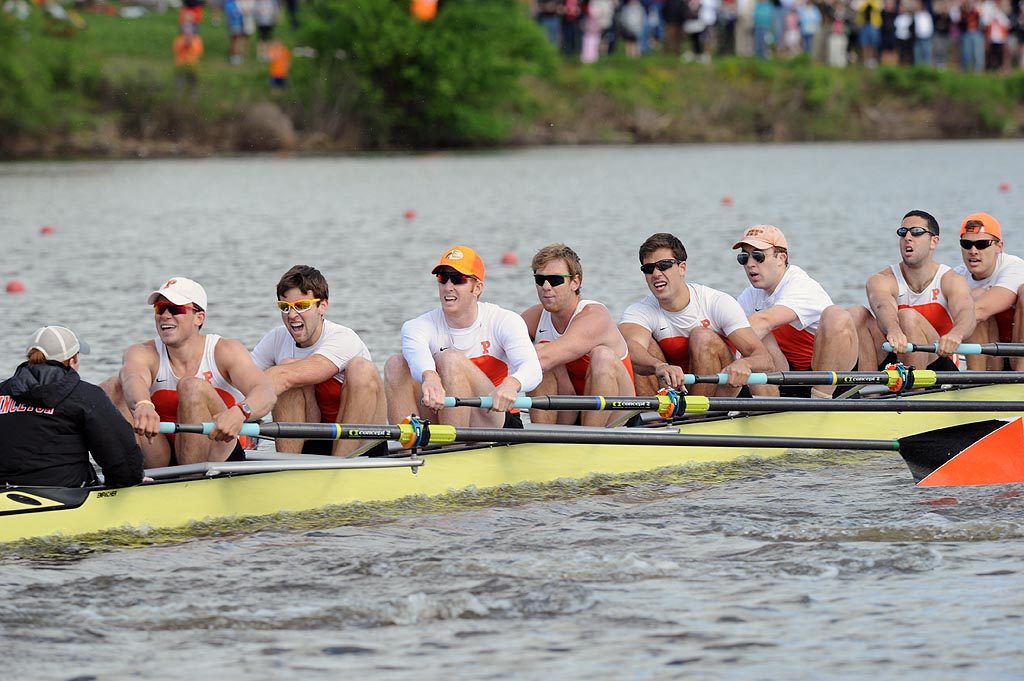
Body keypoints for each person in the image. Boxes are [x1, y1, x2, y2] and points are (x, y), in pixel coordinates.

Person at [104, 277, 276, 468]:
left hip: (220, 453)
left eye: (175, 309)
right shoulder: (142, 352)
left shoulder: (225, 350)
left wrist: (240, 412)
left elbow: (266, 391)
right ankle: (119, 475)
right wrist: (143, 404)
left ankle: (190, 479)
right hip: (161, 457)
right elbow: (132, 377)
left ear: (199, 318)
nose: (166, 316)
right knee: (113, 387)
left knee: (191, 386)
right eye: (160, 309)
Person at [385, 246, 542, 428]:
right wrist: (430, 376)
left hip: (495, 417)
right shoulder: (418, 326)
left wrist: (512, 384)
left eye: (458, 279)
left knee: (450, 358)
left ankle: (452, 446)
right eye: (443, 278)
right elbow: (416, 352)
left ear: (477, 288)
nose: (448, 287)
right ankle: (408, 450)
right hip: (444, 412)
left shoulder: (504, 320)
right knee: (395, 364)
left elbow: (533, 369)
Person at [251, 265, 386, 456]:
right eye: (285, 307)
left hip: (361, 445)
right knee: (287, 369)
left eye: (301, 306)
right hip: (312, 441)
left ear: (322, 306)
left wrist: (241, 411)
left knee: (360, 368)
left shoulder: (343, 337)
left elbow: (314, 368)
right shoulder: (276, 339)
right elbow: (243, 383)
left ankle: (340, 467)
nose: (291, 315)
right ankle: (287, 467)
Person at [619, 232, 772, 398]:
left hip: (722, 394)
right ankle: (653, 419)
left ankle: (698, 418)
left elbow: (764, 359)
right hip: (673, 392)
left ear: (682, 268)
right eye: (648, 269)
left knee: (701, 336)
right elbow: (629, 349)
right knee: (641, 347)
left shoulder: (717, 303)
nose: (656, 274)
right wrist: (659, 366)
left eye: (664, 265)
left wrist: (745, 364)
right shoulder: (639, 311)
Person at [1, 326, 143, 488]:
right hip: (66, 497)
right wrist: (129, 484)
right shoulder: (86, 396)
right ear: (72, 360)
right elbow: (124, 464)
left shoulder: (2, 392)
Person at [733, 225, 858, 398]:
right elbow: (731, 326)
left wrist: (738, 360)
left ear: (781, 258)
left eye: (758, 256)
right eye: (743, 257)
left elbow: (763, 321)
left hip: (827, 377)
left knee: (837, 315)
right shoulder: (751, 294)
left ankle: (820, 400)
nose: (750, 264)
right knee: (745, 327)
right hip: (789, 376)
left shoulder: (800, 285)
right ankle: (767, 404)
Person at [849, 210, 976, 372]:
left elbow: (967, 313)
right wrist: (893, 329)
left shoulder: (951, 279)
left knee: (907, 316)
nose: (907, 238)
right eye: (903, 233)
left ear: (934, 242)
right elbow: (882, 305)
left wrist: (956, 334)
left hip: (940, 363)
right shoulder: (882, 279)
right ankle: (868, 389)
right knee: (856, 313)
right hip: (895, 356)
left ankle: (914, 392)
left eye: (916, 232)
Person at [523, 243, 635, 426]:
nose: (545, 286)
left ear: (575, 282)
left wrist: (510, 383)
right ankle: (540, 437)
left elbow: (544, 357)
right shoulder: (535, 316)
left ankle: (590, 437)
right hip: (572, 409)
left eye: (555, 280)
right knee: (539, 351)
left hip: (617, 415)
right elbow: (499, 349)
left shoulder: (594, 316)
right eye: (539, 279)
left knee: (601, 356)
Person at [952, 212, 1024, 370]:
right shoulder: (955, 277)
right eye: (966, 244)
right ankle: (976, 379)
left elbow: (982, 310)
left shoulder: (1015, 267)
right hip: (993, 359)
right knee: (972, 298)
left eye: (982, 244)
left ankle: (1020, 377)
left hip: (1018, 355)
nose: (973, 250)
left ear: (999, 247)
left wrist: (954, 334)